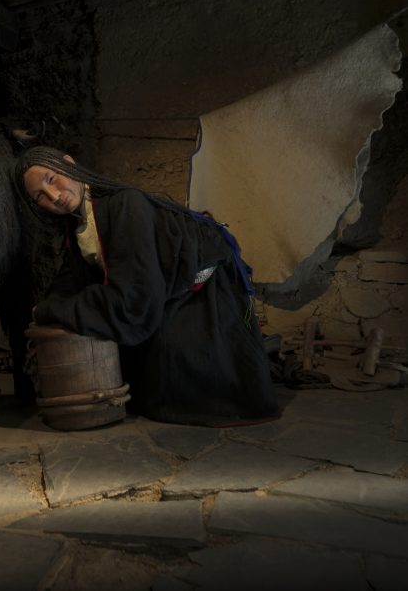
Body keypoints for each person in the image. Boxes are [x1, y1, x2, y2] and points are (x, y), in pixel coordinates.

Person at [15, 145, 279, 427]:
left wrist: (56, 310)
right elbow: (72, 278)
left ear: (69, 164)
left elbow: (132, 298)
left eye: (52, 179)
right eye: (39, 196)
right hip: (155, 285)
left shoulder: (125, 204)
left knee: (173, 375)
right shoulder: (78, 222)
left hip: (205, 287)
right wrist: (47, 307)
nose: (54, 196)